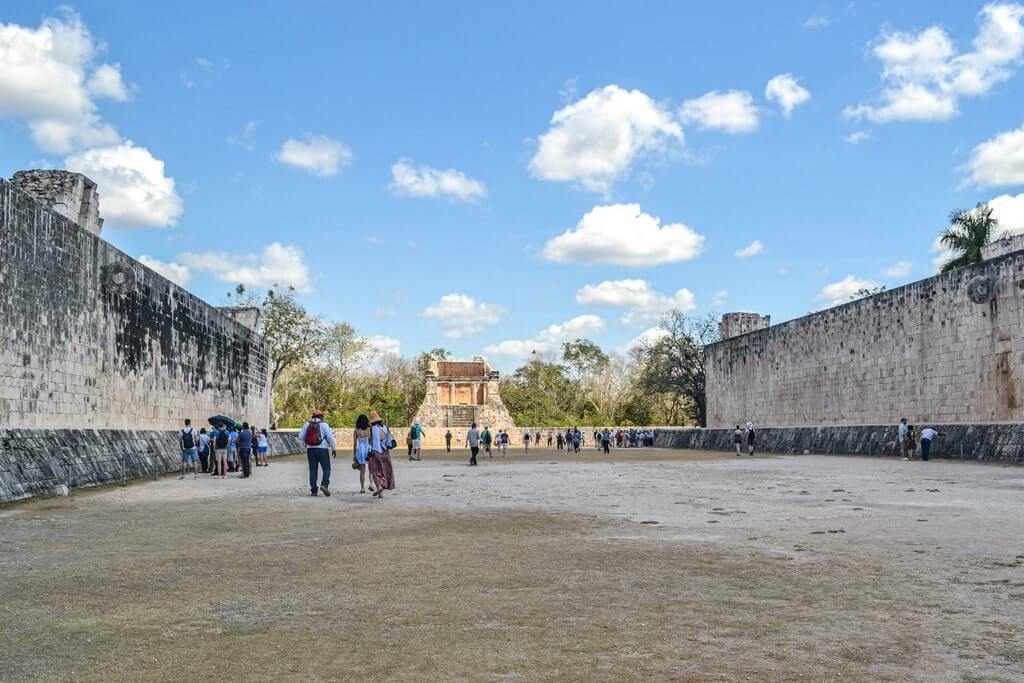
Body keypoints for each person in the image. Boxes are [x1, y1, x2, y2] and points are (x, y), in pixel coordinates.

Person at [298, 409, 336, 496]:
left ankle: (314, 491)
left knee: (313, 470)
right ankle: (324, 485)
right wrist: (333, 448)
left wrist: (306, 442)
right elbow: (330, 437)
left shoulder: (307, 424)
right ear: (321, 417)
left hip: (310, 450)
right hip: (322, 449)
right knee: (326, 469)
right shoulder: (324, 425)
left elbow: (300, 437)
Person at [368, 411, 396, 497]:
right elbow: (389, 440)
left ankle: (379, 486)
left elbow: (371, 441)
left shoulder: (372, 429)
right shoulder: (385, 427)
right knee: (385, 470)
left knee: (374, 470)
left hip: (376, 451)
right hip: (385, 451)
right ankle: (381, 492)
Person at [352, 414, 372, 493]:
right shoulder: (369, 429)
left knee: (362, 471)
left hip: (360, 450)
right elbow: (370, 440)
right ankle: (371, 484)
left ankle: (362, 488)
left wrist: (354, 455)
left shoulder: (356, 430)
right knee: (371, 469)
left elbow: (354, 444)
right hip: (368, 449)